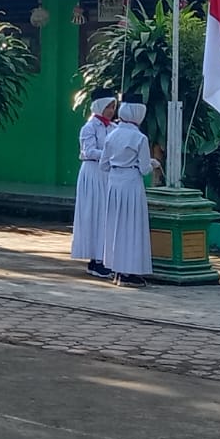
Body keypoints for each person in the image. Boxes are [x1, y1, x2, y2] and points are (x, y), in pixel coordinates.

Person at [101, 93, 159, 288]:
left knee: (115, 226)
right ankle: (130, 272)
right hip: (132, 184)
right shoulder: (139, 138)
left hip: (114, 183)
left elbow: (104, 165)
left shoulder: (112, 134)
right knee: (132, 227)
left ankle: (117, 269)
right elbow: (144, 169)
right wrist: (153, 163)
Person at [71, 87, 118, 280]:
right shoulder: (89, 128)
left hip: (107, 174)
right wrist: (110, 156)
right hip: (92, 173)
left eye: (114, 107)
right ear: (99, 106)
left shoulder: (113, 128)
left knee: (105, 215)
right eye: (108, 107)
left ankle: (103, 258)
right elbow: (88, 151)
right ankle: (95, 259)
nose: (111, 111)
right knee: (94, 214)